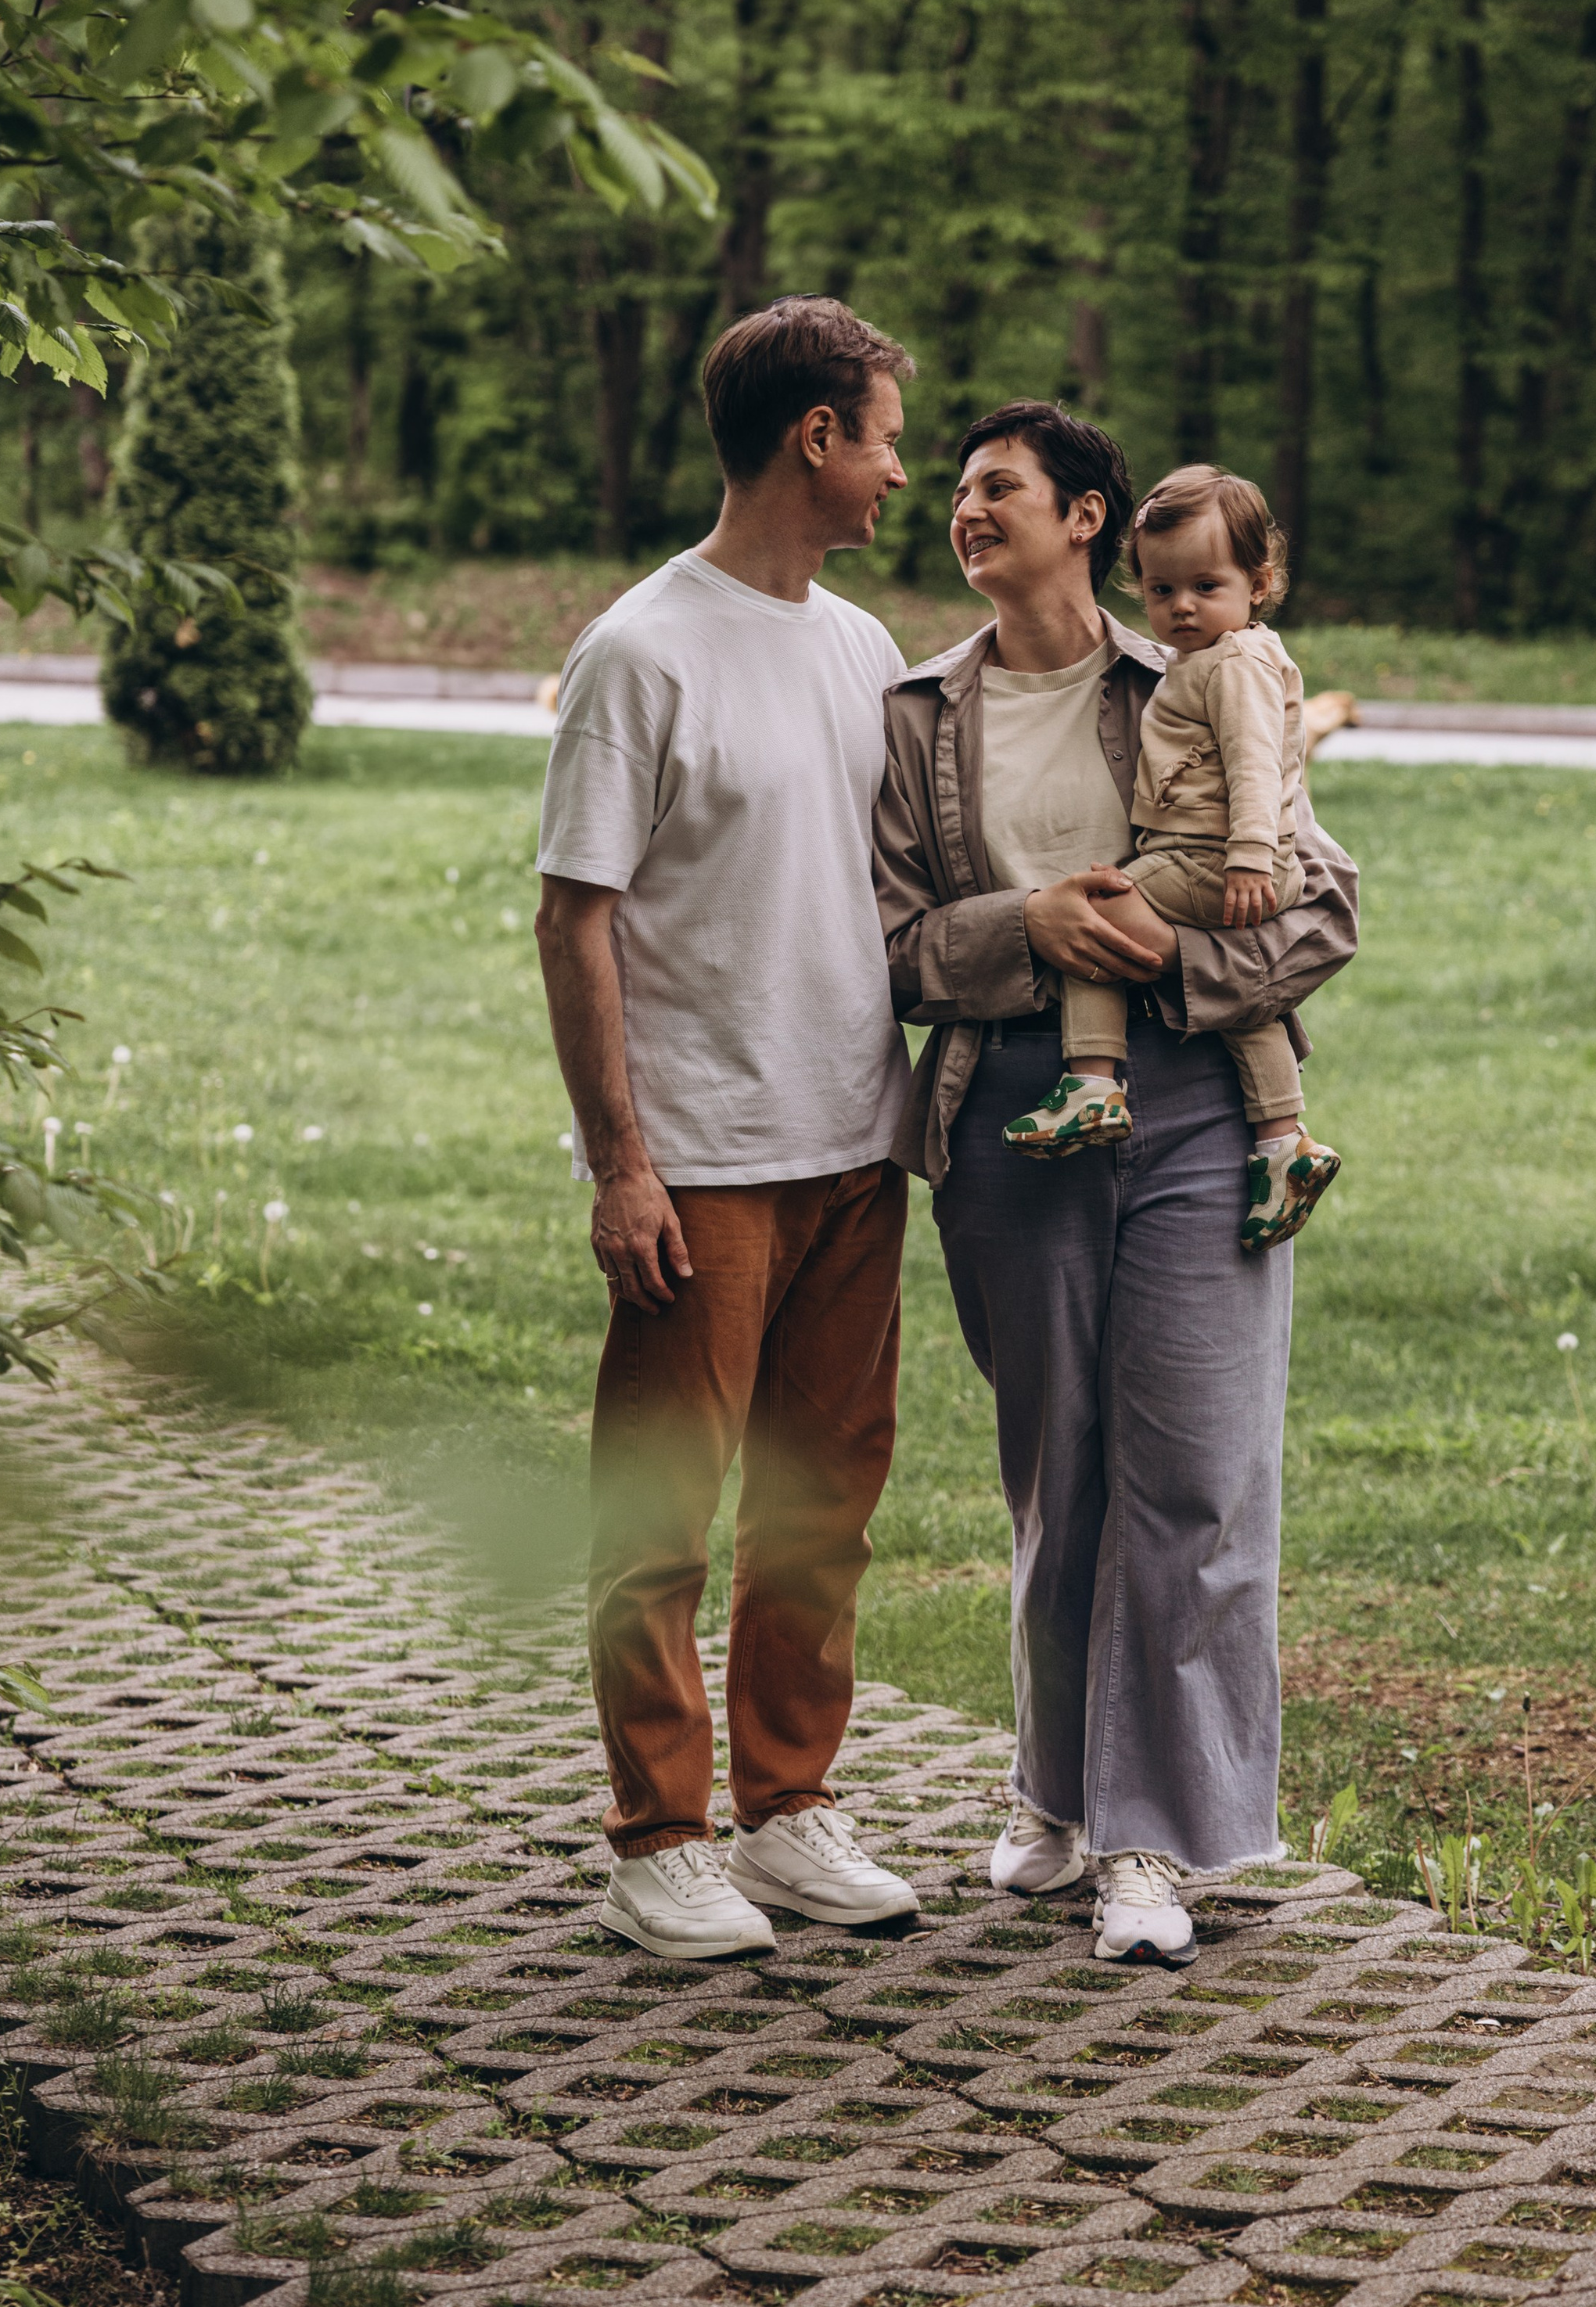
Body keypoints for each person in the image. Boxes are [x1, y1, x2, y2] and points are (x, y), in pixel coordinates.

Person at [873, 401, 1358, 1969]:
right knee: (1059, 1475)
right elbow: (892, 944)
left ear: (1085, 515)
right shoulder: (917, 714)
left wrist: (1170, 958)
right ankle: (1054, 1789)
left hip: (1201, 1102)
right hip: (1012, 1109)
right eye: (955, 488)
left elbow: (1321, 909)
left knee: (1194, 1478)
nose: (964, 508)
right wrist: (1027, 926)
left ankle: (1150, 1840)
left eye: (996, 486)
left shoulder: (1199, 670)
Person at [534, 296, 922, 1963]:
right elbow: (573, 921)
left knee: (821, 1508)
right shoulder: (641, 650)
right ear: (812, 438)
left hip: (857, 1146)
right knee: (662, 1520)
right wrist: (622, 1164)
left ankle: (785, 1809)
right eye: (886, 438)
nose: (900, 472)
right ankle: (656, 1837)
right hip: (700, 1166)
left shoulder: (862, 648)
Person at [1000, 461, 1343, 1254]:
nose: (1181, 606)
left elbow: (1257, 763)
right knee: (1240, 998)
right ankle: (1282, 1142)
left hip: (1215, 858)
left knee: (1091, 917)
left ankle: (1092, 1083)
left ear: (1259, 584)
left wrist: (1249, 856)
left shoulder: (1235, 665)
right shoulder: (1219, 657)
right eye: (1161, 590)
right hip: (1223, 858)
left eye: (1205, 586)